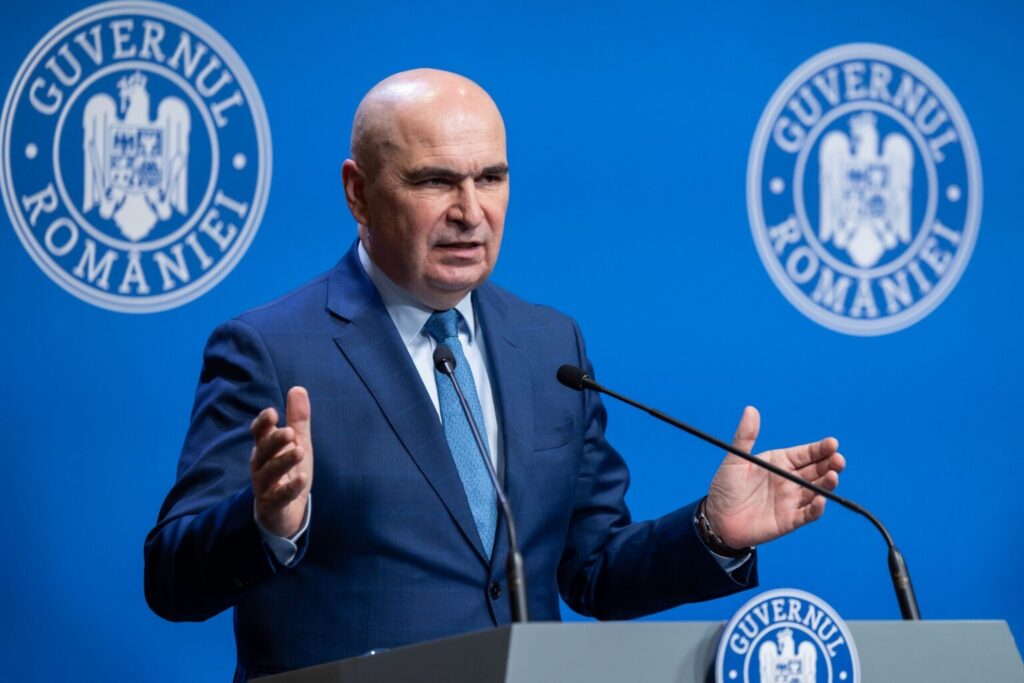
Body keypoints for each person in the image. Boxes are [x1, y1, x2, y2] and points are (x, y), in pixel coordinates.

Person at [144, 69, 844, 680]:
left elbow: (593, 566)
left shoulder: (548, 345)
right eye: (435, 181)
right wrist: (267, 523)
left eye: (491, 178)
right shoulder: (270, 348)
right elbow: (170, 578)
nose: (470, 212)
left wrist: (711, 532)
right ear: (358, 192)